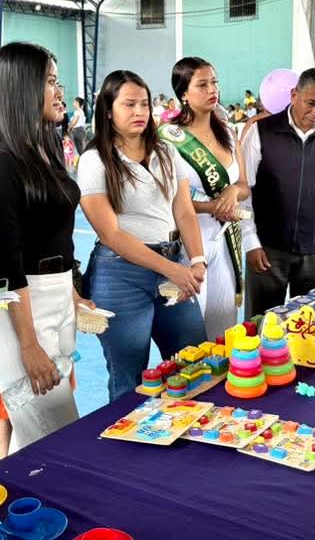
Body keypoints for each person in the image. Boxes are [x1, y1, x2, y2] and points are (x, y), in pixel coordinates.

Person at [0, 42, 86, 454]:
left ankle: (16, 493)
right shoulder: (0, 160)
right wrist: (28, 344)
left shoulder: (45, 148)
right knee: (54, 433)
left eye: (58, 81)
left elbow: (59, 235)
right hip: (21, 304)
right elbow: (9, 263)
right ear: (23, 87)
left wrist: (72, 292)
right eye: (50, 82)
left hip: (55, 298)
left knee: (39, 435)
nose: (60, 92)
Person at [78, 70, 207, 401]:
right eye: (129, 104)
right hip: (120, 275)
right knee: (129, 379)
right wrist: (173, 270)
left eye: (145, 104)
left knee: (194, 365)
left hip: (173, 263)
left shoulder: (166, 152)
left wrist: (197, 260)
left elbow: (184, 211)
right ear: (108, 111)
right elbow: (110, 233)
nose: (139, 112)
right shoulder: (94, 160)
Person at [241, 69, 315, 316]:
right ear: (294, 95)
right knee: (261, 322)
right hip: (267, 249)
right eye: (311, 103)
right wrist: (250, 242)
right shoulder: (261, 131)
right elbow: (243, 191)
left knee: (311, 322)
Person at [160, 57, 250, 341]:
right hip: (189, 244)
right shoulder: (168, 139)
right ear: (184, 94)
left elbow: (244, 185)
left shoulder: (228, 133)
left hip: (225, 241)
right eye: (202, 85)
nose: (212, 90)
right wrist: (212, 207)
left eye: (214, 82)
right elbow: (167, 199)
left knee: (224, 329)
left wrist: (232, 193)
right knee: (190, 332)